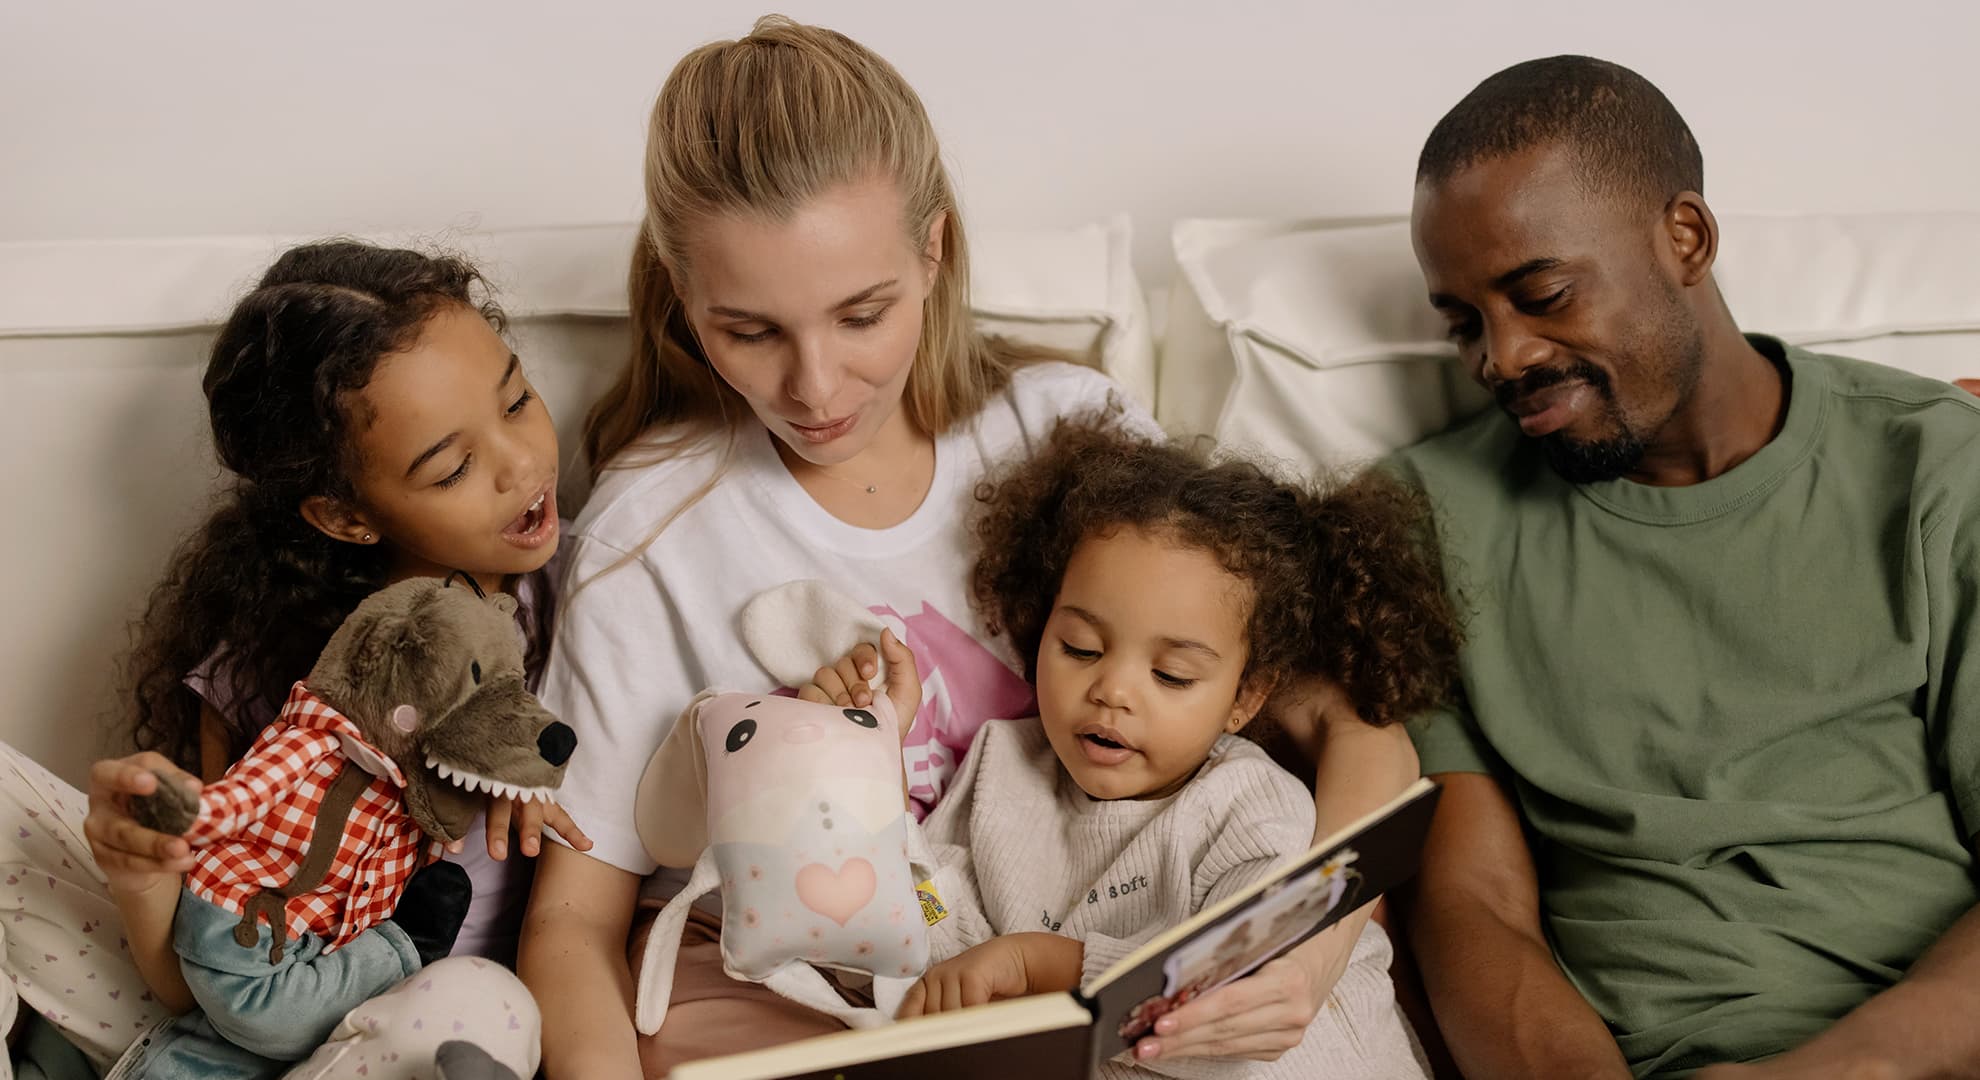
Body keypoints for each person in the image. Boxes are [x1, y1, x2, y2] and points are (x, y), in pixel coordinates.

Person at [1395, 55, 1980, 1079]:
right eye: (1463, 325)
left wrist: (1842, 1072)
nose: (1504, 357)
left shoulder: (1939, 467)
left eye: (1543, 294)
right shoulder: (1425, 521)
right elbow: (1470, 906)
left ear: (1686, 239)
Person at [5, 240, 588, 1080]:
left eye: (519, 399)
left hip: (430, 1033)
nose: (523, 463)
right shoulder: (262, 671)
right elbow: (199, 985)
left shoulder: (582, 598)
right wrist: (141, 878)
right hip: (241, 1022)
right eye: (455, 467)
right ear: (347, 517)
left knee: (479, 1005)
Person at [809, 418, 1455, 1078]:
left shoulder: (1250, 807)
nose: (1111, 690)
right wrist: (870, 787)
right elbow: (937, 916)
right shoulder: (1000, 768)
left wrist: (1032, 964)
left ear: (1244, 699)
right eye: (1080, 649)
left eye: (1171, 675)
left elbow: (1220, 985)